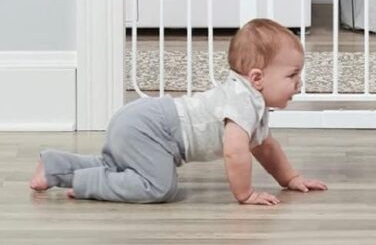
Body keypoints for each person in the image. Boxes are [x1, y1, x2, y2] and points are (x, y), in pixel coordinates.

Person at [30, 19, 327, 204]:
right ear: (257, 78)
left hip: (142, 121)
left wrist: (290, 178)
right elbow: (235, 151)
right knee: (159, 187)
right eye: (292, 75)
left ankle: (54, 166)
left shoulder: (250, 100)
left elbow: (265, 146)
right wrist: (245, 194)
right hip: (151, 127)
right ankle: (85, 183)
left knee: (121, 167)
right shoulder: (241, 101)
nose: (299, 83)